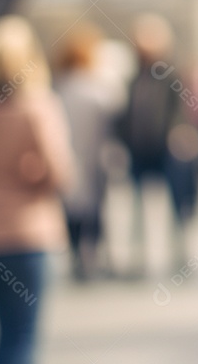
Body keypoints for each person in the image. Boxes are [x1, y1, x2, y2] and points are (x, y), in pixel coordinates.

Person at [0, 16, 74, 364]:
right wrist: (30, 175)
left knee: (4, 333)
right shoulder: (37, 106)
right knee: (23, 336)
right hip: (28, 232)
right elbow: (60, 173)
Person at [54, 22, 125, 280]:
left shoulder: (58, 89)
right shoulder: (101, 90)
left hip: (67, 156)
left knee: (71, 208)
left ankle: (75, 257)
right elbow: (114, 127)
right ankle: (92, 256)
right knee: (96, 208)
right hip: (96, 157)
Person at [114, 13, 182, 275]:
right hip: (138, 148)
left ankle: (178, 254)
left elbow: (180, 111)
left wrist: (177, 132)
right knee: (137, 208)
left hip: (165, 149)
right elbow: (125, 113)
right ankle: (137, 258)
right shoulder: (133, 77)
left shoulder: (170, 76)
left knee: (173, 204)